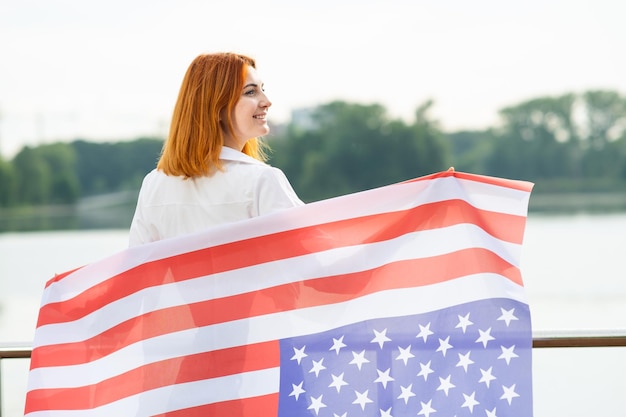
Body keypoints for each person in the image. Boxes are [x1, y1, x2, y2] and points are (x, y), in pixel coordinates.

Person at [128, 52, 303, 246]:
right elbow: (308, 259)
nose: (267, 101)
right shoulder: (262, 181)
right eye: (250, 92)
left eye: (262, 89)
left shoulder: (154, 184)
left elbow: (138, 268)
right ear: (217, 108)